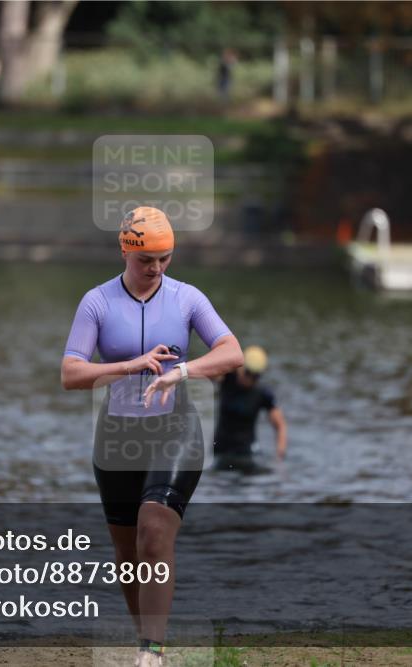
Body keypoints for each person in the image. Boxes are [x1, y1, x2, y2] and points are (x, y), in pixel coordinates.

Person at [61, 206, 243, 667]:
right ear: (126, 250)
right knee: (128, 553)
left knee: (155, 529)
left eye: (165, 258)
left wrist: (181, 371)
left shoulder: (187, 299)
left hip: (175, 430)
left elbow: (232, 352)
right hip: (117, 436)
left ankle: (151, 654)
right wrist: (129, 364)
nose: (156, 269)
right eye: (147, 260)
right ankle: (147, 637)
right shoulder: (97, 302)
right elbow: (71, 373)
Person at [212, 345, 288, 473]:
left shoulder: (263, 393)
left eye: (256, 376)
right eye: (248, 373)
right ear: (240, 367)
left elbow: (280, 425)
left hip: (246, 453)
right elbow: (205, 373)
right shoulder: (226, 379)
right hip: (220, 451)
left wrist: (279, 458)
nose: (250, 380)